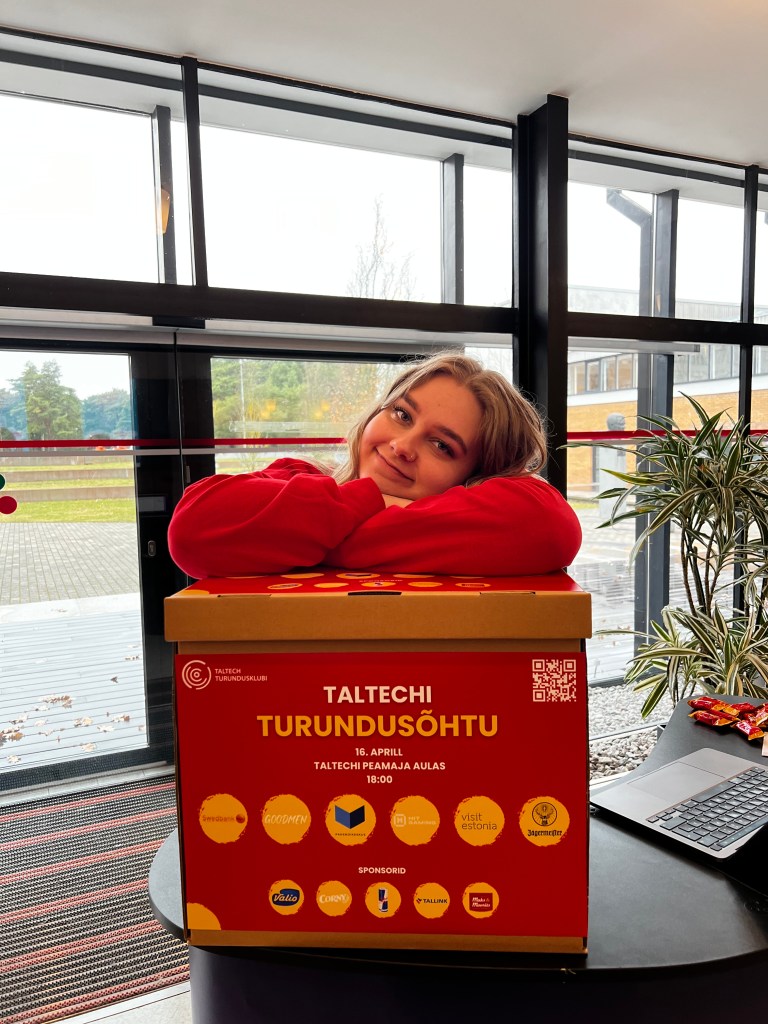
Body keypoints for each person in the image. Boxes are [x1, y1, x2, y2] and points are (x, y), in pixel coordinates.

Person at [168, 353, 581, 578]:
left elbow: (550, 526)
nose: (402, 446)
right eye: (402, 414)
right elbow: (192, 530)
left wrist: (297, 535)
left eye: (442, 445)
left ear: (477, 477)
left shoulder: (294, 499)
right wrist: (371, 502)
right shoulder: (298, 474)